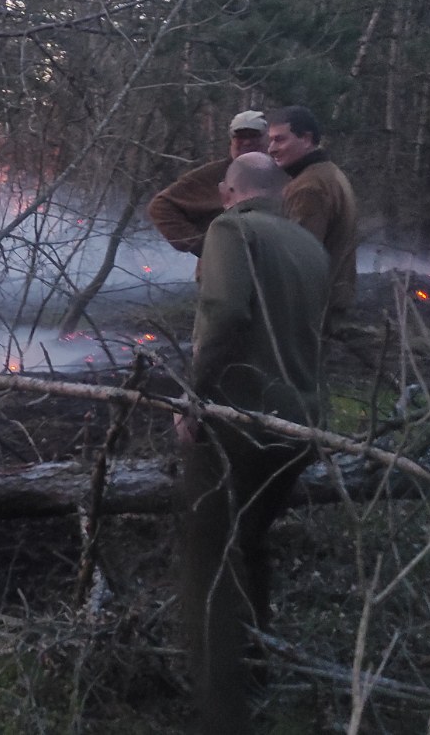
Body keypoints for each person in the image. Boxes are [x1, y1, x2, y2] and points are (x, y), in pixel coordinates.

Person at [177, 152, 328, 734]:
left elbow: (223, 314)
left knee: (208, 558)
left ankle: (221, 712)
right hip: (302, 425)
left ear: (229, 191)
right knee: (252, 543)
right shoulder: (308, 245)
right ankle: (260, 671)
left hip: (240, 421)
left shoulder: (229, 227)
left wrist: (194, 403)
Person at [265, 104, 358, 319]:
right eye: (270, 140)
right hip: (328, 304)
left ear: (306, 139)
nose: (271, 149)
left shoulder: (309, 187)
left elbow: (299, 263)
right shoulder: (329, 173)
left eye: (280, 139)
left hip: (311, 312)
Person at [147, 110, 271, 258]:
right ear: (231, 139)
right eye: (240, 136)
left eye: (254, 135)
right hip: (224, 271)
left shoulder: (282, 173)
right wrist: (204, 245)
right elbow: (160, 206)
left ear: (267, 139)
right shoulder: (211, 175)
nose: (247, 142)